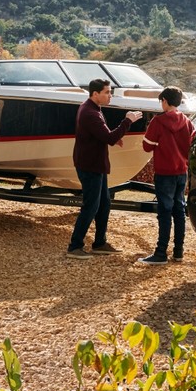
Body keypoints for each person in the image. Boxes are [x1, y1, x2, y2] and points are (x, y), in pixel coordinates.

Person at [67, 78, 142, 257]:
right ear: (95, 94)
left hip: (96, 164)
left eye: (110, 92)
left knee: (104, 204)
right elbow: (108, 137)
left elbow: (103, 135)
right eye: (107, 92)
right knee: (91, 206)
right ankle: (74, 246)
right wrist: (127, 121)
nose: (110, 96)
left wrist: (115, 138)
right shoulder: (90, 112)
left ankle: (99, 243)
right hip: (90, 165)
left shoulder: (93, 109)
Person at [135, 86, 194, 266]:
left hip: (164, 173)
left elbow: (147, 146)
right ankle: (178, 251)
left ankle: (161, 253)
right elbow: (190, 146)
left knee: (164, 212)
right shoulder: (187, 121)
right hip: (180, 171)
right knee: (179, 210)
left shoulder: (158, 122)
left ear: (165, 101)